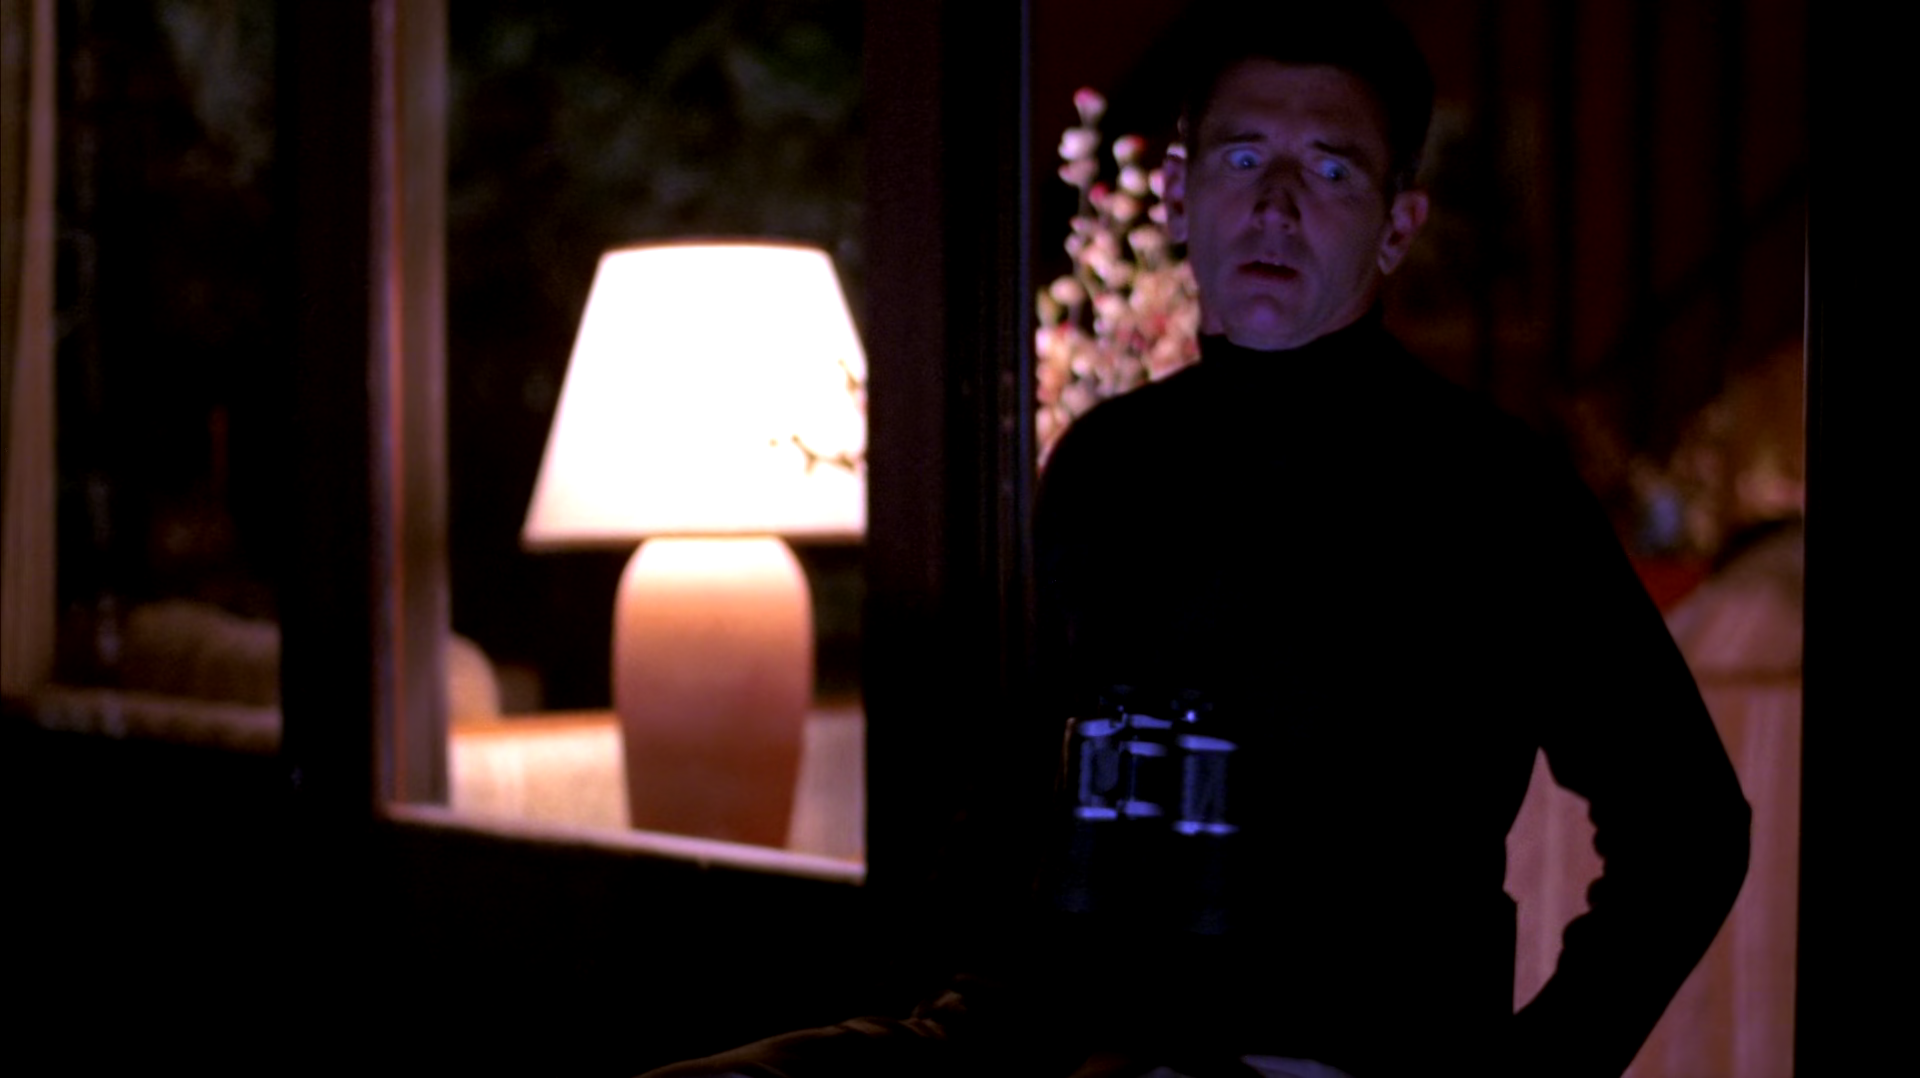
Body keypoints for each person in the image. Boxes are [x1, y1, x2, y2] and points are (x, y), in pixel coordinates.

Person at [643, 5, 1749, 1076]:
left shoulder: (1495, 490)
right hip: (1043, 1031)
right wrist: (950, 998)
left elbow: (1690, 830)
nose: (1274, 207)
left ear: (1397, 225)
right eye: (1242, 159)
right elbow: (1019, 792)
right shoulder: (1105, 461)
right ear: (1179, 193)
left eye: (1328, 171)